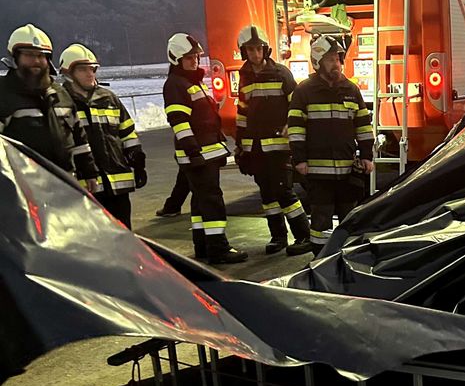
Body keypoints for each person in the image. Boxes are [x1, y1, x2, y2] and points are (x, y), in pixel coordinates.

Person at [163, 32, 247, 264]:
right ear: (176, 59)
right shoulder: (176, 85)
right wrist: (193, 152)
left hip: (204, 153)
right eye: (189, 58)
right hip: (197, 155)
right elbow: (179, 122)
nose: (194, 61)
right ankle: (218, 248)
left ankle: (203, 246)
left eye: (196, 57)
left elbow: (205, 118)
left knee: (200, 201)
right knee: (211, 201)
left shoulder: (190, 82)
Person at [288, 35, 374, 255]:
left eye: (337, 58)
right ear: (317, 62)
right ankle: (320, 260)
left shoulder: (351, 90)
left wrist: (366, 156)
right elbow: (296, 129)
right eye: (330, 59)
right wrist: (299, 160)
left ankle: (348, 258)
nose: (336, 63)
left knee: (350, 217)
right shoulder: (304, 91)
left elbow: (363, 125)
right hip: (318, 173)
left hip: (348, 171)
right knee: (321, 221)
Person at [234, 24, 311, 255]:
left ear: (265, 50)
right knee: (267, 194)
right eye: (250, 50)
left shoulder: (281, 73)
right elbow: (242, 112)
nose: (255, 54)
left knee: (284, 192)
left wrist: (293, 127)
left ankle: (303, 235)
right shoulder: (244, 76)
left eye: (259, 49)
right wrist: (240, 146)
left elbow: (296, 105)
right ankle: (278, 237)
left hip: (279, 148)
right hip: (255, 149)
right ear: (244, 51)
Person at [0, 24, 98, 191]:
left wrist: (89, 172)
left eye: (41, 55)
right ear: (14, 58)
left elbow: (78, 138)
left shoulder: (60, 94)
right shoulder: (4, 94)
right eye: (29, 55)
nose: (36, 61)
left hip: (64, 183)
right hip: (21, 189)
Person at [59, 44, 146, 229]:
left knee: (125, 238)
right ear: (68, 72)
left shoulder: (109, 98)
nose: (90, 74)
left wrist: (137, 159)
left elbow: (127, 132)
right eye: (83, 69)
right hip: (86, 188)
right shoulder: (61, 103)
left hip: (117, 186)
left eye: (92, 69)